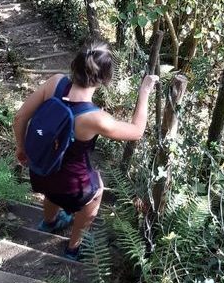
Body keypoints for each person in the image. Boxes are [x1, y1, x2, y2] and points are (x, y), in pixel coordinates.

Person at [13, 40, 158, 260]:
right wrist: (145, 91)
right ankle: (73, 248)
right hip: (71, 185)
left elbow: (20, 116)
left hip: (40, 168)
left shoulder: (55, 83)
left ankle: (49, 223)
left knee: (53, 181)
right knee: (97, 189)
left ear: (75, 65)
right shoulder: (96, 119)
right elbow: (137, 131)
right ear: (105, 79)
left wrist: (22, 148)